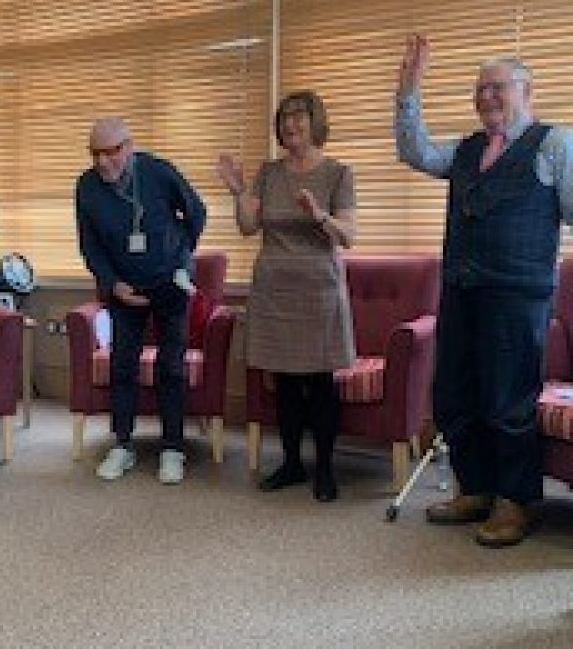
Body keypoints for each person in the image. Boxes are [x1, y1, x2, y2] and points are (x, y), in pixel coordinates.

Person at [395, 33, 573, 547]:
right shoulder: (468, 149)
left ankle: (516, 501)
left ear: (526, 90)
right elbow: (416, 150)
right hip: (463, 287)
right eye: (480, 90)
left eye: (497, 87)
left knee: (508, 398)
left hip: (519, 293)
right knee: (456, 391)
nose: (486, 97)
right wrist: (409, 89)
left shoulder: (556, 144)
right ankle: (476, 488)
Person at [218, 91, 356, 502]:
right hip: (274, 289)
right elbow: (247, 226)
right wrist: (238, 190)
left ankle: (326, 468)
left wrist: (321, 217)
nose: (291, 125)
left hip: (319, 290)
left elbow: (348, 236)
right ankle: (293, 463)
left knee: (320, 382)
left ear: (316, 123)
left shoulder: (338, 173)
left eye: (299, 117)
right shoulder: (269, 173)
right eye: (284, 119)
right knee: (286, 381)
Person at [75, 116, 207, 485]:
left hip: (169, 282)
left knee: (171, 366)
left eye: (112, 151)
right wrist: (111, 283)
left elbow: (196, 212)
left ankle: (172, 448)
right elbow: (90, 243)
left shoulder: (159, 172)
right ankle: (122, 445)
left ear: (129, 147)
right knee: (122, 366)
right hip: (124, 288)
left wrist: (181, 254)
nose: (104, 162)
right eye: (95, 153)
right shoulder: (86, 186)